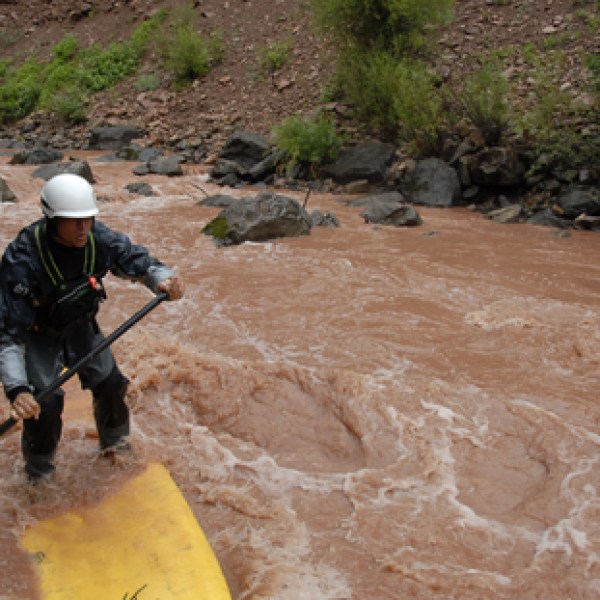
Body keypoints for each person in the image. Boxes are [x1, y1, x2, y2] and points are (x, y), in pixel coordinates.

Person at [0, 173, 183, 482]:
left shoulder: (99, 239)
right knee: (44, 403)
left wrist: (161, 279)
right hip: (38, 336)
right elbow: (8, 334)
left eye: (87, 218)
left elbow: (138, 262)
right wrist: (17, 389)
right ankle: (39, 474)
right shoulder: (22, 259)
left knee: (111, 384)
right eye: (74, 221)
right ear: (53, 220)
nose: (83, 227)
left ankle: (116, 446)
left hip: (80, 326)